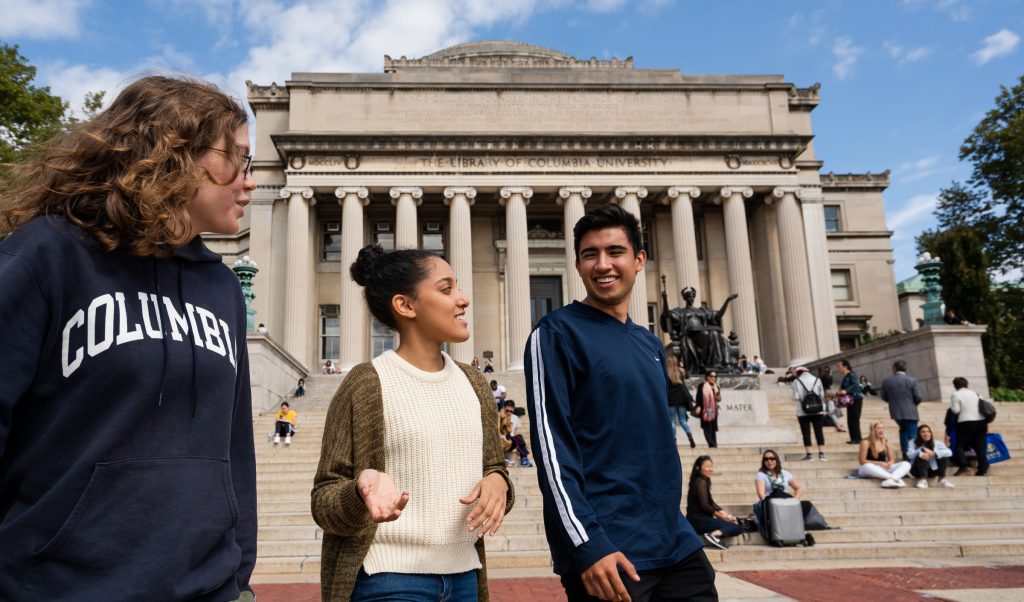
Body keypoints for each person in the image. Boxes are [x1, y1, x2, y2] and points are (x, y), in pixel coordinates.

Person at [0, 75, 257, 600]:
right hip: (56, 587)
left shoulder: (221, 287)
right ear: (175, 154)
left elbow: (235, 451)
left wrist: (238, 578)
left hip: (207, 588)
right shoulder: (46, 254)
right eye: (241, 161)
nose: (251, 181)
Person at [525, 204, 715, 602]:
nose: (602, 264)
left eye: (615, 251)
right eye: (589, 254)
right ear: (577, 265)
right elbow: (552, 449)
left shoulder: (650, 344)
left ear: (639, 259)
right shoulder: (556, 333)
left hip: (675, 543)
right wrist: (587, 543)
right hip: (609, 551)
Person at [312, 244, 513, 601]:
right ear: (405, 305)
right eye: (446, 289)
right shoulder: (366, 383)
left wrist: (499, 481)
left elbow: (494, 469)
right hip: (387, 580)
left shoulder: (475, 383)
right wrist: (361, 489)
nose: (463, 299)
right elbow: (324, 500)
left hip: (465, 577)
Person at [753, 450, 828, 539]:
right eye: (766, 459)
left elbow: (798, 488)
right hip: (771, 503)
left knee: (806, 505)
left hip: (786, 502)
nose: (769, 461)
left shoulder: (785, 473)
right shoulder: (761, 475)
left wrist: (794, 501)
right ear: (763, 462)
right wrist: (773, 504)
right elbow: (761, 495)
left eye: (772, 458)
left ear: (777, 460)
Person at [686, 456, 745, 550]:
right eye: (707, 467)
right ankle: (713, 535)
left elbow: (711, 503)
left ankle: (713, 534)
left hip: (698, 521)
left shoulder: (701, 481)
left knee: (733, 523)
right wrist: (721, 516)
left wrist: (726, 515)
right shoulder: (700, 482)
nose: (710, 469)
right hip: (699, 521)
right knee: (738, 527)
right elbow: (705, 505)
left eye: (711, 466)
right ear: (698, 468)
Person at [879, 359, 923, 459]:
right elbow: (919, 397)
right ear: (905, 368)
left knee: (903, 431)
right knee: (912, 434)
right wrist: (913, 404)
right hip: (910, 410)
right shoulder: (912, 380)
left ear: (894, 368)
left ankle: (905, 452)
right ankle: (912, 454)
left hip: (896, 411)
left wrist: (894, 403)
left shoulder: (887, 381)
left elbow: (884, 396)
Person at [950, 376, 988, 477]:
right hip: (981, 422)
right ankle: (982, 469)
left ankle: (964, 465)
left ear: (955, 385)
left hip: (966, 422)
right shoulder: (976, 394)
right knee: (980, 446)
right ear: (967, 384)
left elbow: (955, 410)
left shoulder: (956, 394)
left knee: (959, 445)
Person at [858, 422, 912, 488]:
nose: (882, 430)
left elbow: (892, 460)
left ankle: (891, 480)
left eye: (883, 428)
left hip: (882, 468)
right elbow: (862, 461)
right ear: (873, 430)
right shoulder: (865, 442)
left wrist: (889, 463)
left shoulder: (886, 442)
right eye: (879, 428)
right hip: (868, 469)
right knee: (868, 466)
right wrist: (879, 463)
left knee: (906, 464)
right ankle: (896, 479)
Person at [792, 366, 827, 461]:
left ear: (799, 372)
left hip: (803, 410)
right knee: (819, 431)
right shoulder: (817, 380)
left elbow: (795, 397)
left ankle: (809, 454)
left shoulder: (796, 381)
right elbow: (822, 394)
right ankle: (822, 454)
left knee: (806, 432)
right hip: (818, 409)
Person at [908, 424, 954, 488]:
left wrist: (934, 453)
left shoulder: (937, 443)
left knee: (943, 456)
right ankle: (923, 480)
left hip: (933, 470)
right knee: (922, 455)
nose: (926, 434)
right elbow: (910, 455)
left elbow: (950, 452)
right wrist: (921, 450)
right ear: (918, 434)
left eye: (928, 431)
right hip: (917, 470)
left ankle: (942, 480)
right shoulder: (912, 442)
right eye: (923, 432)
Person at [666, 354, 697, 448]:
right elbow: (685, 381)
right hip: (682, 399)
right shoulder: (681, 372)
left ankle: (673, 441)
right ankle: (690, 437)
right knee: (683, 420)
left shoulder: (666, 373)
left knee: (672, 421)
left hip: (671, 399)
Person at [837, 359, 864, 444]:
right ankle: (853, 438)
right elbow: (843, 387)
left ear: (845, 366)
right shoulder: (845, 376)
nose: (838, 368)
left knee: (854, 419)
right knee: (850, 420)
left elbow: (856, 384)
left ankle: (858, 439)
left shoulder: (852, 374)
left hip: (856, 399)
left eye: (839, 366)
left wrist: (846, 390)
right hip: (850, 400)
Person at [693, 370, 722, 448]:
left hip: (713, 410)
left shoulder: (716, 387)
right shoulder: (702, 386)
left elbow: (719, 399)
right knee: (706, 427)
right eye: (711, 376)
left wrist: (718, 396)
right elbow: (698, 397)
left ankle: (714, 443)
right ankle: (711, 442)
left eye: (715, 376)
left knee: (713, 427)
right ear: (707, 377)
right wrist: (698, 406)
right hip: (705, 409)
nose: (713, 378)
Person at [500, 400, 533, 467]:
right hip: (501, 440)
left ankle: (524, 458)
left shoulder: (515, 418)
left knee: (518, 437)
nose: (509, 413)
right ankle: (502, 458)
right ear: (504, 408)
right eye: (507, 410)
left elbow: (516, 432)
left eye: (511, 411)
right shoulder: (499, 415)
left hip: (510, 441)